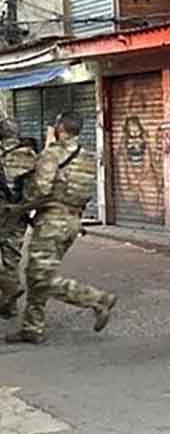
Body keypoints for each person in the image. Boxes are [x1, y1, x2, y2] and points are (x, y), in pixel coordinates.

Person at [6, 112, 115, 344]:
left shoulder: (52, 154)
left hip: (52, 221)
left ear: (60, 128)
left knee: (40, 277)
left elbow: (41, 190)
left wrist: (20, 208)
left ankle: (97, 299)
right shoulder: (87, 156)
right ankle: (32, 327)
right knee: (39, 273)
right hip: (73, 221)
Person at [0, 119, 37, 318]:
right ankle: (9, 305)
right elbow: (39, 186)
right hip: (20, 213)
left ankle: (10, 291)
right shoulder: (30, 155)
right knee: (11, 258)